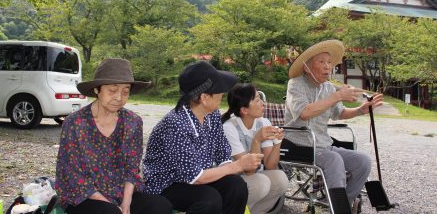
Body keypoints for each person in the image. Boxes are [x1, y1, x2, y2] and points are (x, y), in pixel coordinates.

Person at [143, 61, 264, 214]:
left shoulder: (212, 115)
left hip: (197, 177)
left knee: (236, 185)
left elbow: (222, 153)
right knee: (209, 199)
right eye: (219, 90)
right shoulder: (176, 124)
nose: (222, 94)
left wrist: (239, 165)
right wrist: (238, 165)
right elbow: (195, 177)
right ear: (204, 97)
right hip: (166, 183)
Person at [55, 58, 173, 214]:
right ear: (97, 90)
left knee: (161, 206)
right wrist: (112, 207)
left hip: (119, 191)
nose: (119, 97)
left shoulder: (133, 122)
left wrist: (126, 203)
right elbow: (72, 175)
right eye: (112, 90)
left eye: (125, 91)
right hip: (84, 195)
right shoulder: (75, 123)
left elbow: (132, 168)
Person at [284, 40, 383, 210]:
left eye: (329, 62)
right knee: (334, 160)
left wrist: (361, 110)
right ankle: (339, 207)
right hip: (299, 144)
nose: (327, 67)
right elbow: (304, 112)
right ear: (307, 67)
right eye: (321, 62)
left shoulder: (329, 88)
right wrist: (337, 96)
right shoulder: (296, 84)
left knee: (363, 161)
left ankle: (341, 205)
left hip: (323, 145)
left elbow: (339, 113)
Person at [222, 83, 289, 214]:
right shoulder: (229, 127)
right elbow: (249, 171)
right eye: (257, 100)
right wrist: (257, 140)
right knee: (261, 182)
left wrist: (278, 141)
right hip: (233, 183)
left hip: (253, 178)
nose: (263, 103)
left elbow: (270, 165)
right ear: (244, 110)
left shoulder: (263, 122)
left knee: (281, 179)